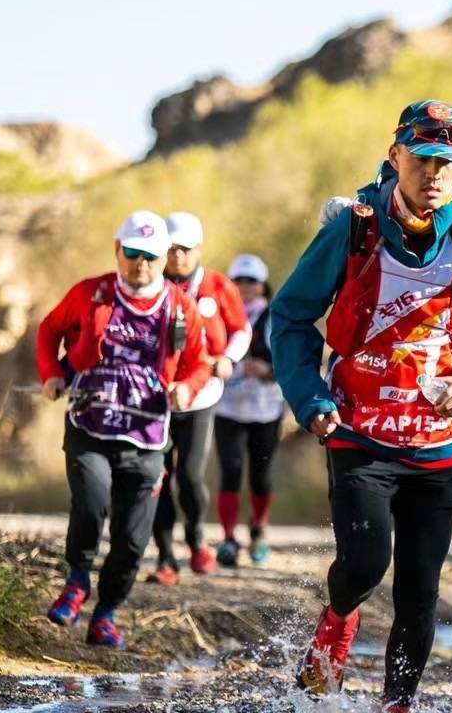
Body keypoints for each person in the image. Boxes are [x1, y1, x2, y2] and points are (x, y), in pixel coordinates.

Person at [272, 99, 452, 713]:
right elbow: (288, 318)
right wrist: (310, 400)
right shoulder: (354, 230)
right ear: (396, 158)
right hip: (359, 432)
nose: (437, 172)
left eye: (449, 161)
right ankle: (334, 629)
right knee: (364, 563)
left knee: (420, 591)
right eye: (424, 159)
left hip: (439, 445)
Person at [36, 211, 211, 648]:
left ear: (164, 256)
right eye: (132, 253)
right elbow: (49, 330)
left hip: (148, 437)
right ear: (118, 249)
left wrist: (186, 391)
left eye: (151, 256)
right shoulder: (89, 293)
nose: (142, 264)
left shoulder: (180, 308)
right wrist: (50, 374)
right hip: (89, 425)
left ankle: (107, 614)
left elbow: (199, 365)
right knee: (91, 504)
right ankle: (77, 582)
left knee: (133, 541)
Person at [146, 212, 250, 584]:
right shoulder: (151, 286)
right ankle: (164, 557)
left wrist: (228, 359)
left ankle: (196, 540)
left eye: (184, 249)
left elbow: (242, 329)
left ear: (198, 249)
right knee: (156, 475)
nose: (176, 257)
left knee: (189, 476)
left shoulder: (218, 286)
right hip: (156, 398)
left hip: (201, 395)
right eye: (170, 249)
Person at [214, 253, 285, 567]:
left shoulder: (275, 316)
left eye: (251, 281)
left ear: (263, 285)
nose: (245, 287)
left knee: (261, 473)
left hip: (266, 407)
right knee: (230, 470)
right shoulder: (217, 315)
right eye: (238, 281)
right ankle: (228, 538)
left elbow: (288, 358)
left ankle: (258, 530)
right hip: (226, 405)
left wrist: (267, 370)